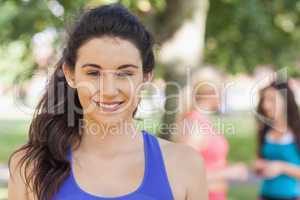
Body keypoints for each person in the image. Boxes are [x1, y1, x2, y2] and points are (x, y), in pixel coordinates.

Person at [8, 4, 207, 200]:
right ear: (70, 75)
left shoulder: (185, 165)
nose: (109, 90)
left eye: (125, 73)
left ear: (146, 77)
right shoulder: (31, 167)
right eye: (93, 73)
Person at [173, 69, 248, 200]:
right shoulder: (195, 126)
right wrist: (229, 172)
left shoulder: (204, 122)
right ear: (211, 93)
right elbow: (185, 175)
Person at [254, 80, 300, 200]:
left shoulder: (297, 132)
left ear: (285, 101)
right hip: (265, 195)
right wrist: (259, 166)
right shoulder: (264, 131)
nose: (266, 105)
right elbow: (260, 161)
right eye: (264, 99)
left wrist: (282, 167)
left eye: (272, 100)